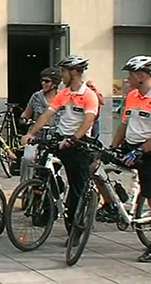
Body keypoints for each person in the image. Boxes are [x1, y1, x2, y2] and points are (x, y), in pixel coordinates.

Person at [21, 55, 99, 245]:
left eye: (64, 71)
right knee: (43, 168)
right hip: (60, 139)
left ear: (74, 72)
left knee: (77, 188)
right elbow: (47, 114)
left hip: (79, 143)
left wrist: (73, 139)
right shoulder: (63, 94)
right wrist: (31, 133)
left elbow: (88, 120)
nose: (61, 75)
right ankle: (48, 205)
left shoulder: (89, 95)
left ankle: (76, 228)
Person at [108, 55, 151, 263]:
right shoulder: (132, 96)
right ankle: (113, 206)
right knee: (100, 167)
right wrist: (113, 147)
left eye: (131, 74)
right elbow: (124, 124)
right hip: (130, 147)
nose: (127, 79)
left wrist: (141, 151)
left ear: (142, 75)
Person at [18, 67, 62, 181]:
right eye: (42, 80)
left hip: (54, 136)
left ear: (55, 83)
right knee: (28, 158)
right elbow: (26, 113)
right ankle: (24, 187)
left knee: (59, 163)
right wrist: (23, 120)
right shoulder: (36, 96)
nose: (43, 83)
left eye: (47, 81)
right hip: (36, 135)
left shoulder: (62, 98)